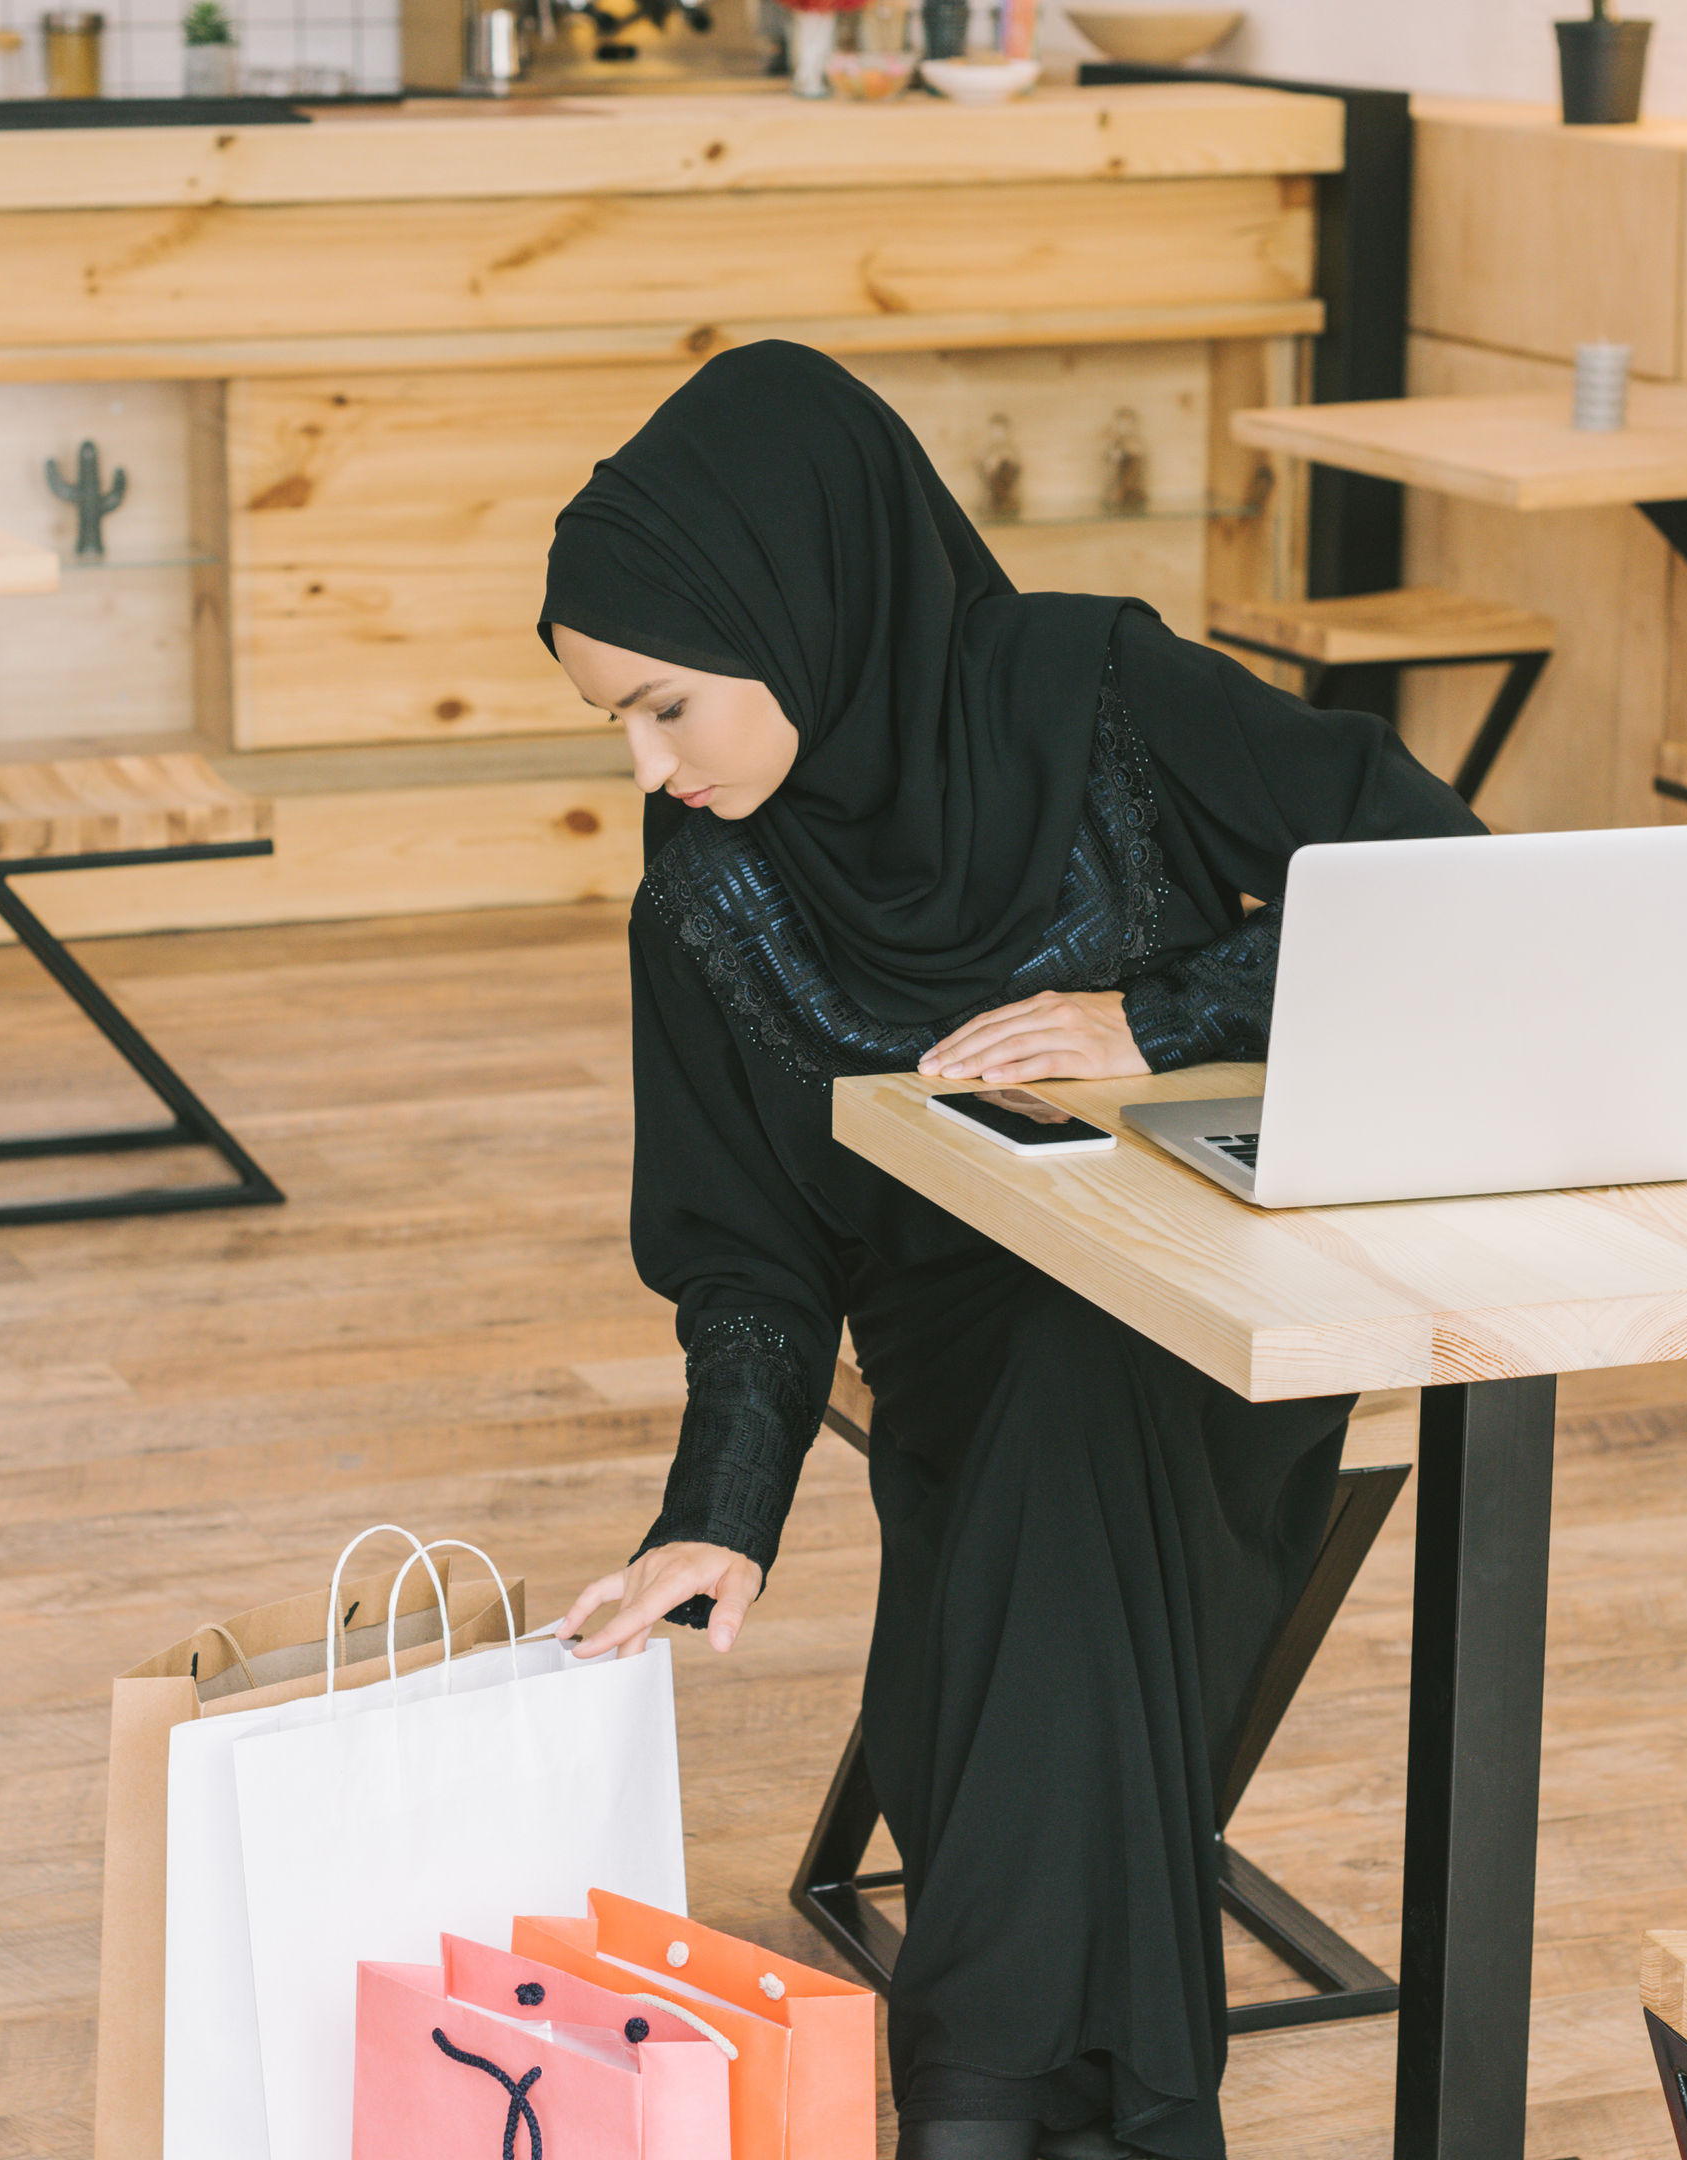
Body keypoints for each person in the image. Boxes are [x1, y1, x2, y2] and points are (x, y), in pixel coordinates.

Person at [538, 343, 1484, 2160]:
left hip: (1225, 1301)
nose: (653, 769)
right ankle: (1051, 2110)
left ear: (801, 613)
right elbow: (746, 1252)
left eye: (668, 707)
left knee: (1060, 1482)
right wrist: (716, 1515)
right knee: (1049, 1432)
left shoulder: (1095, 685)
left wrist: (1163, 1010)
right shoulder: (704, 894)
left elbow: (1441, 866)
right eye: (620, 729)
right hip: (970, 1349)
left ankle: (988, 2106)